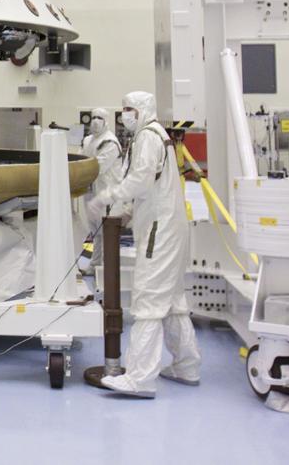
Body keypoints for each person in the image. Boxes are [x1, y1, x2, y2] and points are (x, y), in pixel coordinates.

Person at [86, 90, 200, 398]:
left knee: (148, 300)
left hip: (159, 233)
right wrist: (130, 211)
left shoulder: (149, 136)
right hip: (171, 228)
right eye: (122, 109)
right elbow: (153, 183)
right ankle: (186, 365)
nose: (125, 115)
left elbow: (140, 179)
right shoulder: (156, 136)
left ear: (143, 110)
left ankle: (139, 378)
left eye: (129, 109)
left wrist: (108, 197)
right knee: (174, 301)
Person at [80, 107, 127, 272]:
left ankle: (107, 268)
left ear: (106, 121)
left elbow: (98, 166)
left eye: (99, 118)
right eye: (93, 117)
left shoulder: (110, 142)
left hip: (106, 194)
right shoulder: (88, 141)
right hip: (91, 191)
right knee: (94, 231)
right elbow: (81, 161)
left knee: (106, 232)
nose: (95, 121)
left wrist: (80, 171)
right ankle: (95, 265)